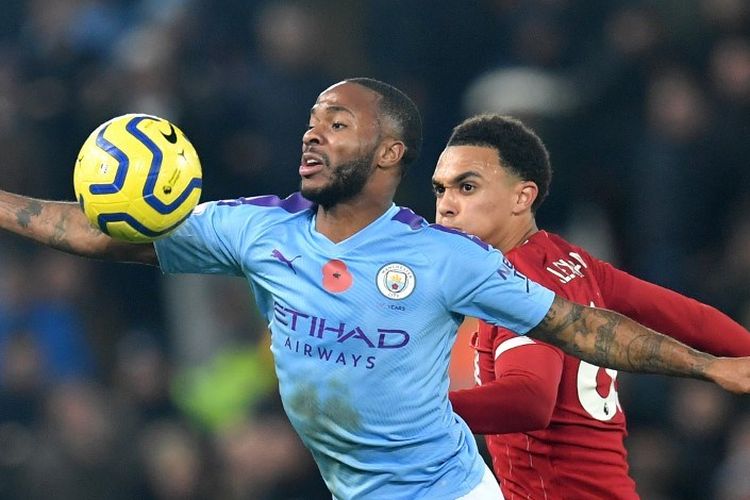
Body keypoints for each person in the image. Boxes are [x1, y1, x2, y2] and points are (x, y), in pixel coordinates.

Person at [1, 78, 750, 499]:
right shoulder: (259, 230)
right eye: (311, 119)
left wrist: (709, 365)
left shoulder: (443, 258)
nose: (313, 134)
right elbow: (105, 232)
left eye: (338, 122)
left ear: (389, 153)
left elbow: (579, 327)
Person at [437, 114, 750, 499]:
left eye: (467, 187)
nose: (446, 206)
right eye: (440, 190)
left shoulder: (518, 286)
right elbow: (691, 318)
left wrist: (416, 409)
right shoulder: (569, 260)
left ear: (522, 196)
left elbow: (530, 399)